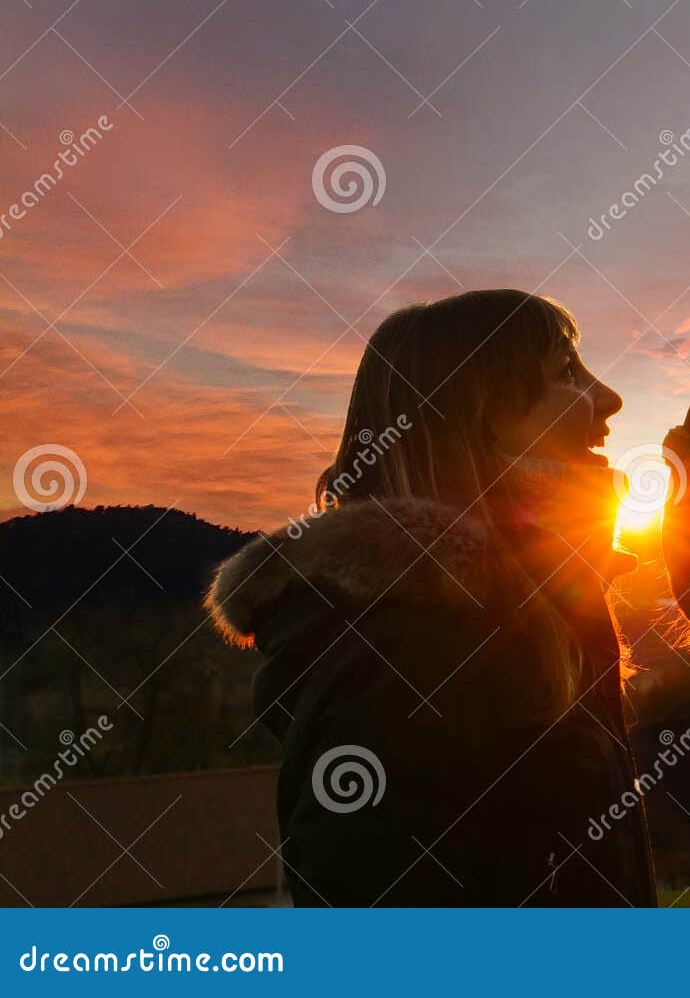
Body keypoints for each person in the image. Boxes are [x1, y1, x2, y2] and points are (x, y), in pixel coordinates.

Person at [205, 289, 654, 906]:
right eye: (567, 374)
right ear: (479, 418)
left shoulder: (527, 610)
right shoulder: (410, 647)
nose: (610, 398)